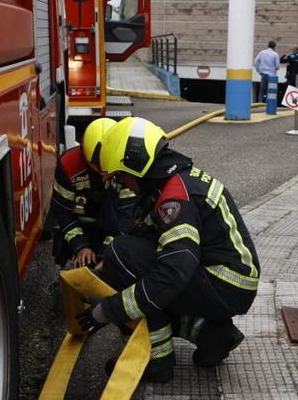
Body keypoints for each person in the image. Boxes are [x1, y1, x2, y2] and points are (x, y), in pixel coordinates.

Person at [77, 117, 260, 383]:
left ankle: (156, 359)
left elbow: (172, 273)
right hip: (229, 282)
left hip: (224, 283)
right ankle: (210, 334)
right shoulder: (177, 181)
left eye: (119, 176)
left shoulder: (175, 197)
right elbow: (153, 242)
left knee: (125, 257)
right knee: (135, 266)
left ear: (135, 165)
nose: (122, 185)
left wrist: (108, 310)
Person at [47, 118, 139, 269]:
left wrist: (106, 254)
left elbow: (127, 215)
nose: (104, 176)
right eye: (98, 168)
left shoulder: (127, 167)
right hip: (80, 225)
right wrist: (80, 246)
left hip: (113, 225)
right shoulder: (69, 165)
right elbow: (62, 212)